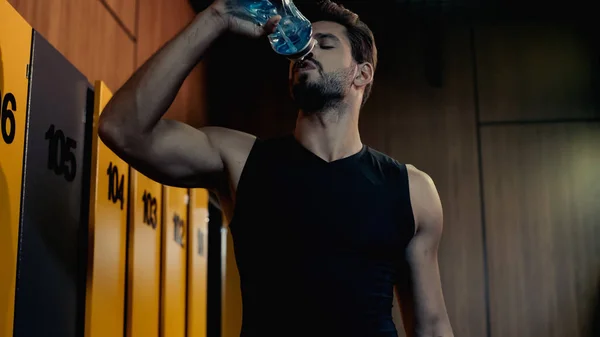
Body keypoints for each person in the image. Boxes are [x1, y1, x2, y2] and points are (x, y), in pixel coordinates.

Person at [98, 0, 454, 336]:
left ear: (361, 74)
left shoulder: (411, 189)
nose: (305, 51)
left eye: (325, 44)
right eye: (304, 43)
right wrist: (215, 16)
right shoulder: (240, 159)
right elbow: (122, 129)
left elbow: (432, 326)